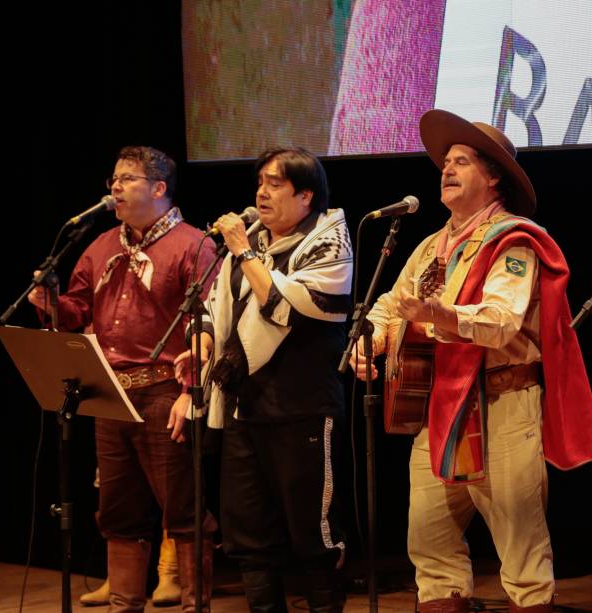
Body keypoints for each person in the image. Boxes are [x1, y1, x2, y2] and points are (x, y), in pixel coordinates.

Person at [350, 110, 592, 613]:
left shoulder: (514, 241)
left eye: (462, 161)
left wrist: (437, 315)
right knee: (429, 543)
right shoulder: (429, 246)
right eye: (445, 162)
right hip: (440, 410)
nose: (446, 169)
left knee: (521, 546)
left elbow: (501, 321)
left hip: (504, 404)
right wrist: (372, 339)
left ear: (494, 178)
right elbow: (387, 304)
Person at [28, 145, 218, 612]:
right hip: (109, 392)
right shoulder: (101, 245)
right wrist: (49, 301)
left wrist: (191, 391)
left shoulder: (193, 244)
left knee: (182, 506)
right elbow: (76, 314)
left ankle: (196, 602)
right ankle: (124, 602)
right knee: (118, 508)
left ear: (159, 189)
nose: (114, 186)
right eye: (113, 178)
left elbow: (211, 320)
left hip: (165, 389)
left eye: (128, 178)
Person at [175, 148, 353, 612]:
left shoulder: (329, 244)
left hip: (302, 408)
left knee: (315, 538)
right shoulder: (248, 246)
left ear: (305, 196)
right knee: (251, 538)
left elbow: (285, 305)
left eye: (275, 183)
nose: (261, 192)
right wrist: (203, 345)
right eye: (260, 182)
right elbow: (217, 308)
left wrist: (244, 250)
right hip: (244, 408)